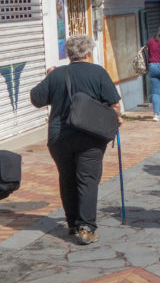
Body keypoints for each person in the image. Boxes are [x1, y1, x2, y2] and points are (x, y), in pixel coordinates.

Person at [30, 35, 122, 245]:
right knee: (87, 180)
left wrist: (49, 77)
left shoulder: (57, 74)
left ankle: (72, 223)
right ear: (88, 53)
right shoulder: (98, 72)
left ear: (69, 54)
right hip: (90, 136)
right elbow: (114, 103)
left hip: (59, 136)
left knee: (67, 177)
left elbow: (36, 99)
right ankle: (86, 227)